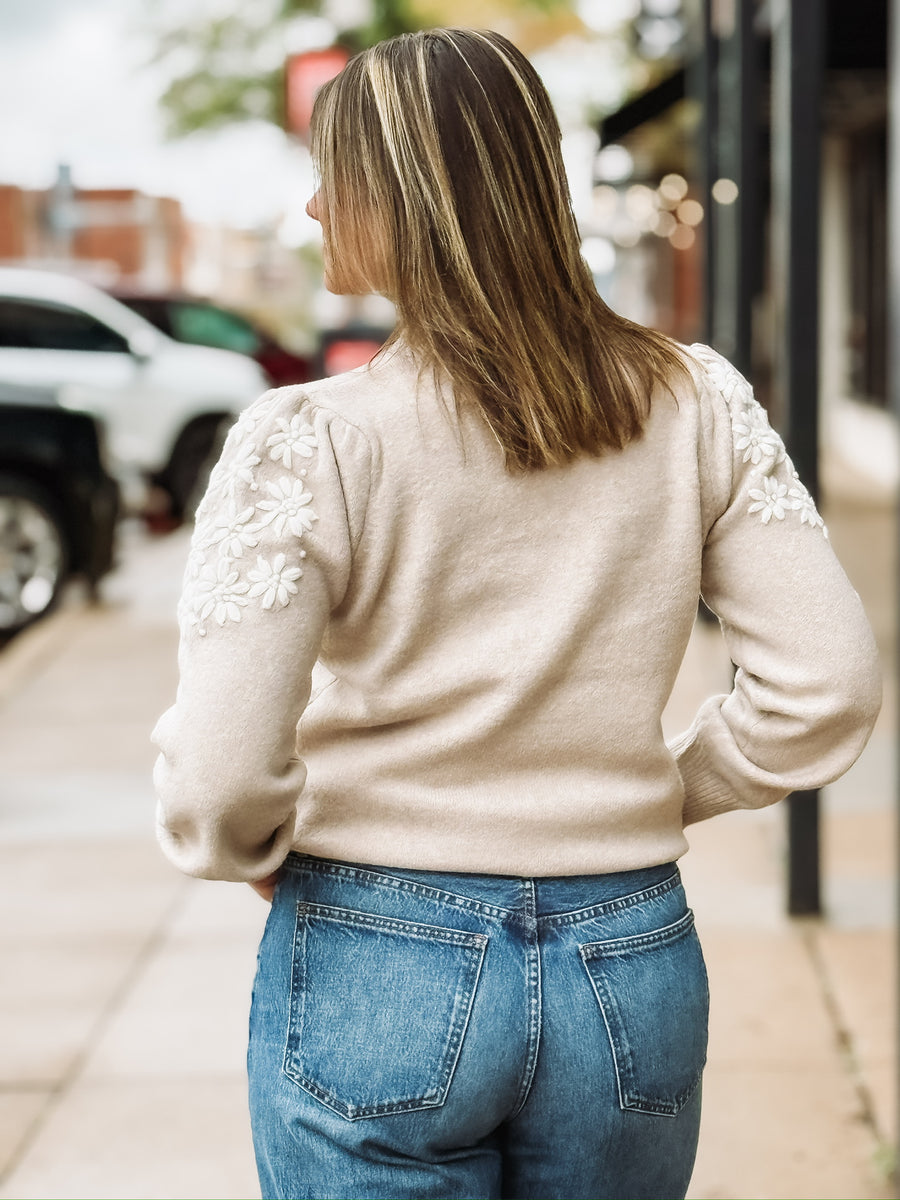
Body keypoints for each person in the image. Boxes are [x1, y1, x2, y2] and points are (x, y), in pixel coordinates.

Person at [151, 27, 881, 1200]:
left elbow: (220, 776)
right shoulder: (694, 401)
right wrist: (664, 790)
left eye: (334, 177)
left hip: (373, 950)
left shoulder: (309, 439)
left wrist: (249, 852)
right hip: (629, 956)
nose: (310, 207)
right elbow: (831, 685)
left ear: (402, 199)